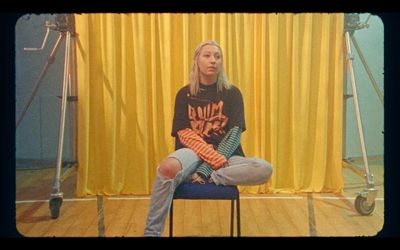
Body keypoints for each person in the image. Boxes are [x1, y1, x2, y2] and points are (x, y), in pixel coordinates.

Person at [144, 40, 273, 237]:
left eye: (217, 56)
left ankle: (198, 176)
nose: (213, 60)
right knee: (167, 168)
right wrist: (207, 159)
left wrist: (206, 170)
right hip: (191, 152)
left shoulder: (232, 93)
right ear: (196, 60)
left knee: (264, 168)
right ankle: (151, 234)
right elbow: (184, 133)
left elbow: (234, 135)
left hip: (227, 155)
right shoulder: (184, 94)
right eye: (207, 55)